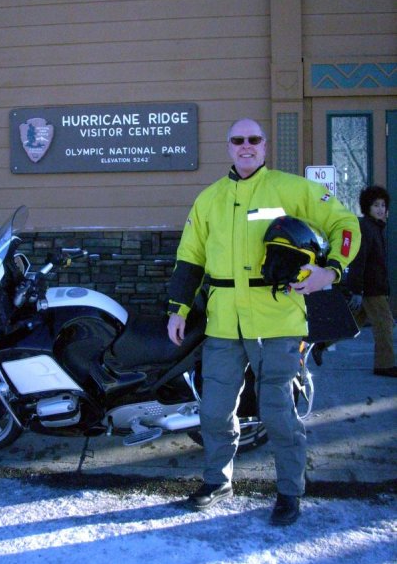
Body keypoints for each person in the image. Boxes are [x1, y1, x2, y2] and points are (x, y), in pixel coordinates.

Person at [167, 118, 361, 526]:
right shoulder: (209, 199)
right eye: (237, 140)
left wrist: (332, 272)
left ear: (265, 145)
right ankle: (217, 482)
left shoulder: (293, 189)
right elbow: (190, 258)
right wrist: (178, 308)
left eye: (254, 139)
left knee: (277, 411)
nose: (246, 146)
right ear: (229, 147)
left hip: (277, 319)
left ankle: (289, 491)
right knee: (215, 411)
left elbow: (345, 226)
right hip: (224, 323)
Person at [345, 186, 396, 377]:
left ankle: (321, 344)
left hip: (373, 288)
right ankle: (385, 365)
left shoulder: (376, 228)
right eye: (376, 205)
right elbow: (359, 260)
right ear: (367, 207)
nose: (380, 209)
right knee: (384, 326)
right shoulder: (366, 228)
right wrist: (357, 291)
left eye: (383, 205)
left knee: (350, 324)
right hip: (371, 290)